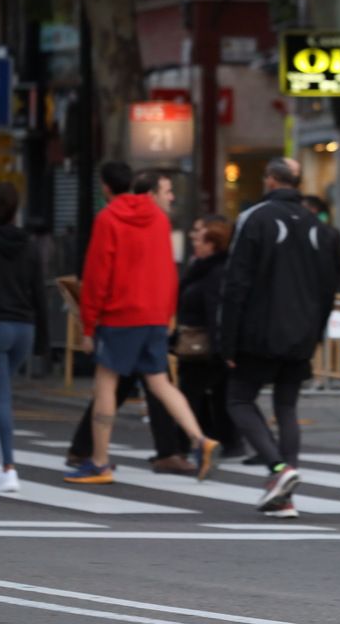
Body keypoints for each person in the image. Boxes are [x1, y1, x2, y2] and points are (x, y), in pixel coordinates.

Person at [65, 161, 219, 484]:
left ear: (106, 187)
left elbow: (97, 275)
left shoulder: (108, 218)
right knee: (160, 382)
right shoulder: (159, 220)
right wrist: (165, 314)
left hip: (119, 315)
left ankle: (100, 461)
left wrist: (89, 324)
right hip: (153, 316)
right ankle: (200, 438)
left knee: (106, 384)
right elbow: (166, 269)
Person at [222, 158, 340, 517]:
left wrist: (227, 339)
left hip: (259, 330)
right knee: (286, 407)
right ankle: (284, 497)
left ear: (271, 180)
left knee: (239, 399)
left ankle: (278, 469)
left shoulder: (256, 219)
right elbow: (328, 288)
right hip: (302, 332)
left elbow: (237, 281)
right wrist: (315, 334)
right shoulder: (319, 227)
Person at [0, 182, 46, 493]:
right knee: (1, 396)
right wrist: (45, 341)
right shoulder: (29, 244)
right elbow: (39, 292)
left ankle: (7, 467)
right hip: (25, 329)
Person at [175, 216, 242, 458]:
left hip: (203, 346)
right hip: (200, 342)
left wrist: (221, 348)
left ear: (213, 243)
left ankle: (186, 445)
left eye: (200, 236)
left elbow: (216, 310)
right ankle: (220, 441)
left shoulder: (214, 271)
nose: (195, 240)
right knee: (210, 396)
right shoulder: (202, 266)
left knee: (192, 395)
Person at [302, 194, 340, 290]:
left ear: (313, 209)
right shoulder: (299, 231)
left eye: (302, 208)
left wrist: (339, 290)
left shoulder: (330, 233)